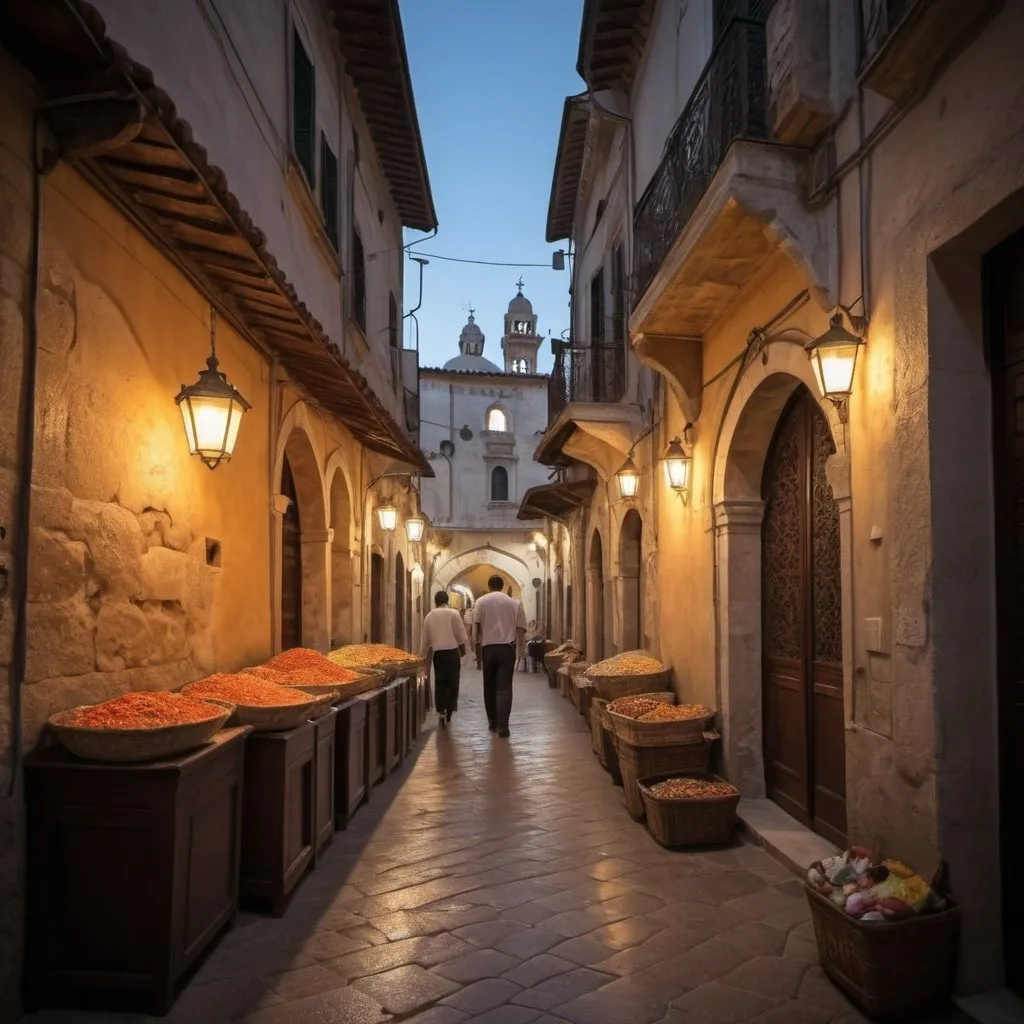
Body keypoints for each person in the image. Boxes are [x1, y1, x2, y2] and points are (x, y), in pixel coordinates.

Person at [473, 574, 526, 738]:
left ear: (489, 586)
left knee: (488, 686)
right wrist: (520, 653)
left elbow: (476, 626)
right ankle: (504, 727)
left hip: (488, 648)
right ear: (502, 586)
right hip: (507, 648)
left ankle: (492, 723)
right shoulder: (515, 603)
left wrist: (476, 645)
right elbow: (521, 629)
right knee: (504, 688)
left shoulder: (481, 602)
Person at [420, 590, 468, 728]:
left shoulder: (429, 615)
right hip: (453, 652)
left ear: (435, 601)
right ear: (447, 601)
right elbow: (460, 634)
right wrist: (462, 650)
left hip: (439, 654)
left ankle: (441, 710)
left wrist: (422, 655)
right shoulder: (453, 613)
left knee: (440, 681)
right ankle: (450, 710)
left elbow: (426, 639)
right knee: (453, 682)